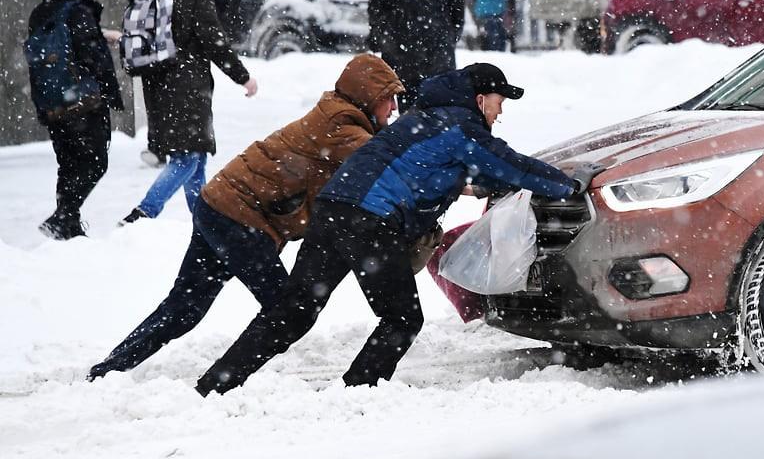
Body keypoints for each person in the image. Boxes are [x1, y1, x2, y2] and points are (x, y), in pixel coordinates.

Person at [195, 62, 582, 395]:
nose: (499, 115)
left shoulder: (423, 118)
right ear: (481, 99)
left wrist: (486, 184)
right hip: (369, 222)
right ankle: (358, 391)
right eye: (499, 105)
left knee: (294, 311)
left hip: (333, 212)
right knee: (403, 318)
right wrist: (570, 185)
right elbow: (512, 164)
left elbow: (442, 171)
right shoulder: (462, 127)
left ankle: (216, 383)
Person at [89, 55, 403, 380]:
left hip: (218, 206)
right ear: (367, 95)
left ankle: (108, 371)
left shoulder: (340, 116)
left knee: (185, 307)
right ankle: (218, 384)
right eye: (388, 98)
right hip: (238, 218)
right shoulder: (342, 127)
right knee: (290, 309)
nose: (393, 107)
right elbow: (392, 165)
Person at [121, 0, 258, 226]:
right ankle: (144, 212)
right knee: (187, 157)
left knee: (195, 159)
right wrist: (242, 76)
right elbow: (213, 40)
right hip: (187, 84)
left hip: (157, 84)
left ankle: (204, 220)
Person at [25, 0, 124, 239]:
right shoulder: (79, 11)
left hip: (52, 102)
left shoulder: (41, 12)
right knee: (95, 163)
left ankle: (69, 224)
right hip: (83, 103)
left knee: (69, 163)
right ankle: (64, 216)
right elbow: (93, 57)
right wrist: (108, 93)